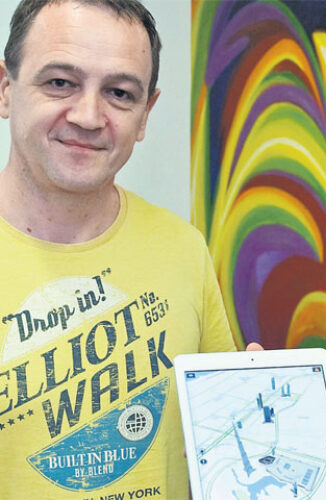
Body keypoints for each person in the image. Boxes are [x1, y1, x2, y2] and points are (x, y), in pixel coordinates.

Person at [0, 1, 234, 498]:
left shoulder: (183, 248)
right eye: (60, 82)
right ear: (5, 88)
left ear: (145, 115)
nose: (88, 116)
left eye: (119, 93)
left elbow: (220, 445)